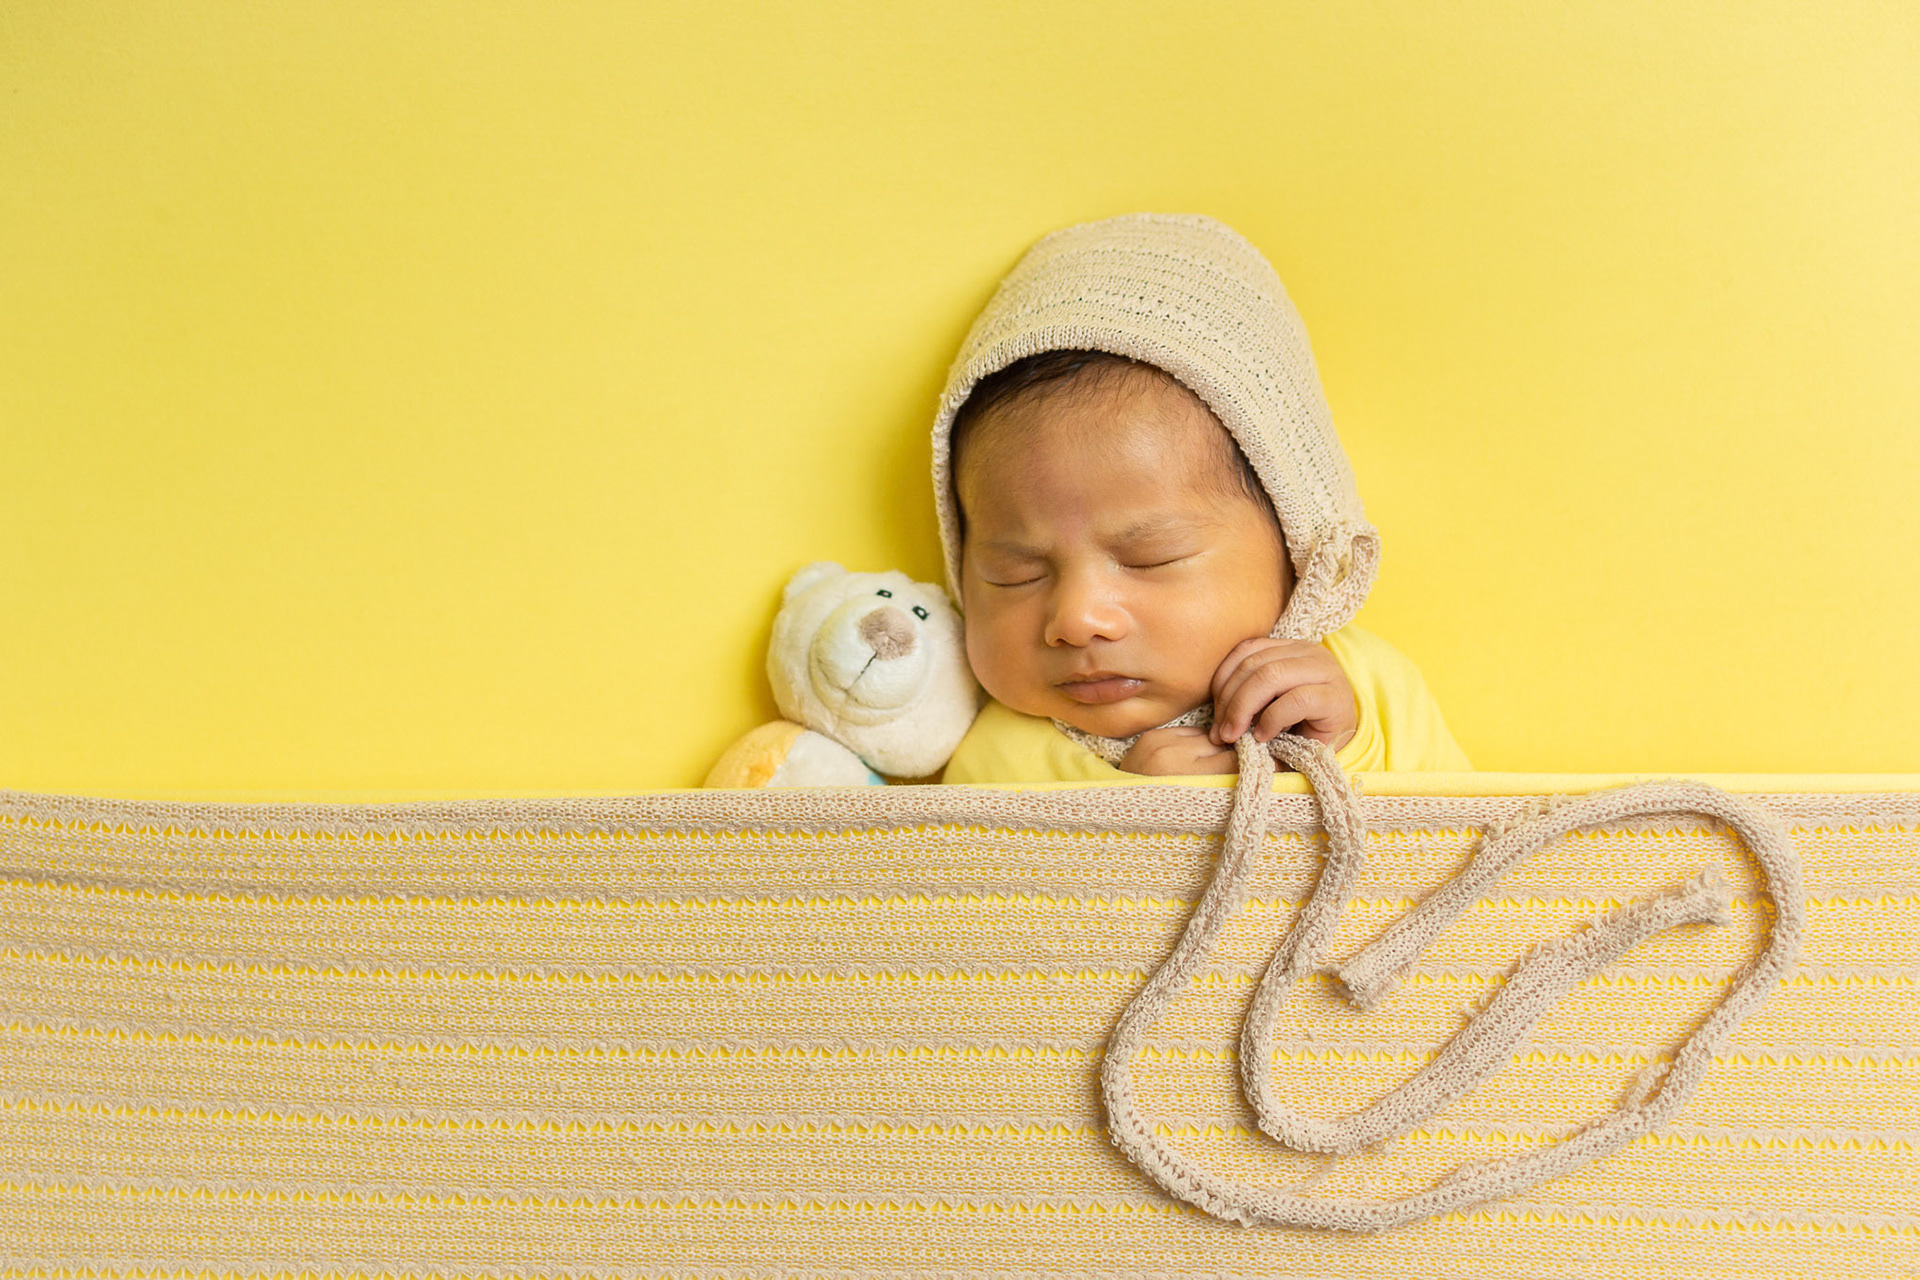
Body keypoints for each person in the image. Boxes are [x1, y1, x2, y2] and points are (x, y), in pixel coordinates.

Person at [931, 213, 1471, 782]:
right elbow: (970, 871)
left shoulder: (1363, 688)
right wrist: (1139, 823)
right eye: (1012, 572)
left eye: (1151, 557)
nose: (1077, 619)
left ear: (1294, 543)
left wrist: (1344, 749)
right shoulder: (999, 755)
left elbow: (1469, 843)